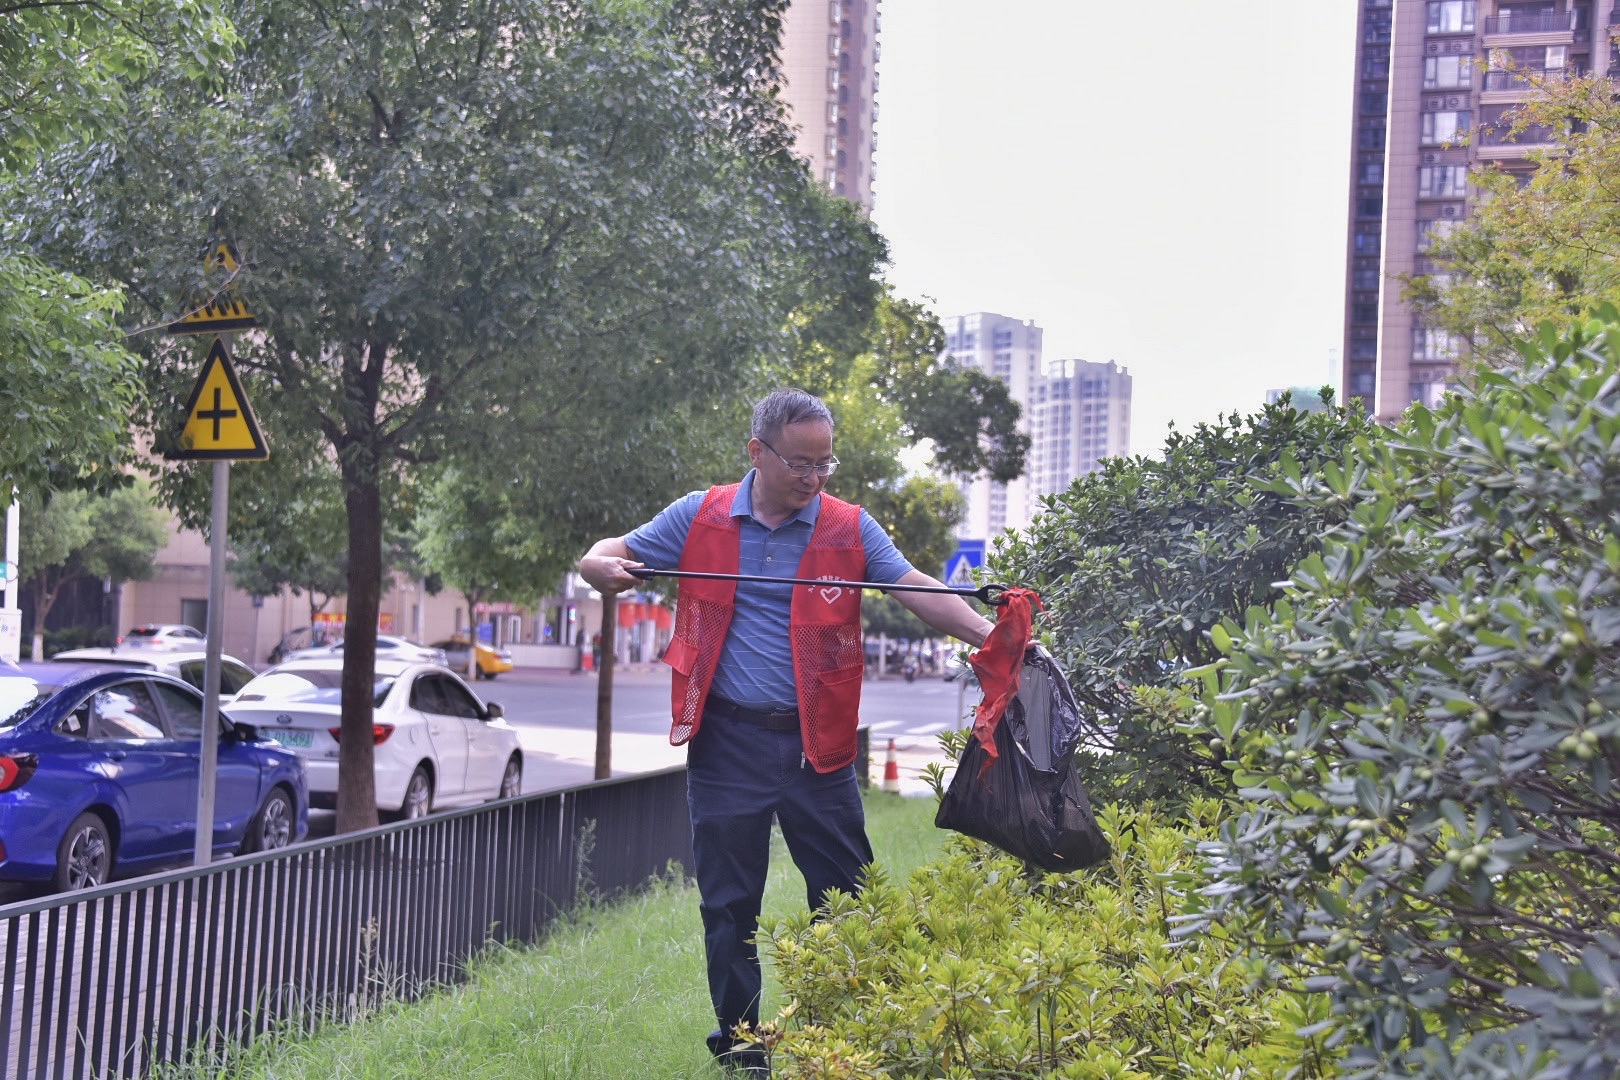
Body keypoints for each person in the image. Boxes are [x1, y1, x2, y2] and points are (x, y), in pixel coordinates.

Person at [578, 388, 996, 1076]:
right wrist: (595, 565)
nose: (815, 477)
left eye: (825, 463)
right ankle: (742, 1049)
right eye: (802, 463)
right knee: (728, 905)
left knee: (847, 898)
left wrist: (991, 634)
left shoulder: (848, 527)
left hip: (817, 745)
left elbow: (914, 587)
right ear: (758, 452)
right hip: (726, 742)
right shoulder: (701, 514)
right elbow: (606, 554)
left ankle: (846, 1041)